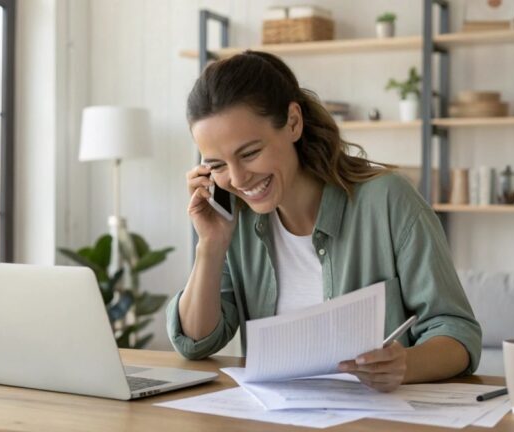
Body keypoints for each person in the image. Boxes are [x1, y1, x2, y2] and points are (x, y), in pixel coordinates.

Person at [166, 51, 481, 392]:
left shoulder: (388, 200)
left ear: (293, 122)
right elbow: (196, 342)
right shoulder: (234, 222)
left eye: (249, 153)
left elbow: (457, 332)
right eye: (217, 165)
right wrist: (210, 245)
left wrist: (404, 364)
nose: (238, 179)